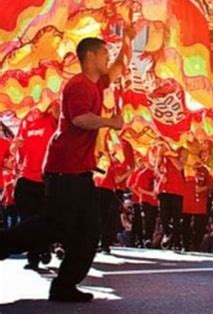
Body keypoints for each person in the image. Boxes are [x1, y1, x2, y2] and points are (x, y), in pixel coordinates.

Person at [0, 34, 131, 302]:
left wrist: (129, 34)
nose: (108, 58)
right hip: (64, 170)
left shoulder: (96, 83)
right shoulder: (79, 85)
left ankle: (65, 285)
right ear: (91, 56)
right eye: (105, 53)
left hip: (78, 172)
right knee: (54, 226)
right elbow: (80, 119)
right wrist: (110, 122)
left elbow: (118, 69)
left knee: (87, 229)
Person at [14, 102, 59, 268]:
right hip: (26, 176)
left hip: (46, 178)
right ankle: (33, 257)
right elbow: (16, 144)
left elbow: (57, 104)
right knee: (27, 219)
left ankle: (44, 247)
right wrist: (15, 147)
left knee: (44, 219)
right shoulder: (26, 119)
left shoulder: (52, 116)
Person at [157, 151, 185, 250]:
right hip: (164, 187)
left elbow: (180, 166)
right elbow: (156, 166)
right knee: (164, 215)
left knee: (176, 217)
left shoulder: (182, 149)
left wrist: (169, 154)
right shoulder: (162, 147)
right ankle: (167, 232)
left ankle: (176, 242)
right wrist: (161, 175)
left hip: (177, 188)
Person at [182, 164, 213, 251]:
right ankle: (185, 244)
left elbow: (210, 183)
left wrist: (202, 188)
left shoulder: (205, 170)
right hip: (186, 202)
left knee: (199, 225)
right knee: (185, 224)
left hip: (200, 203)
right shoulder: (184, 167)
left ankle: (197, 244)